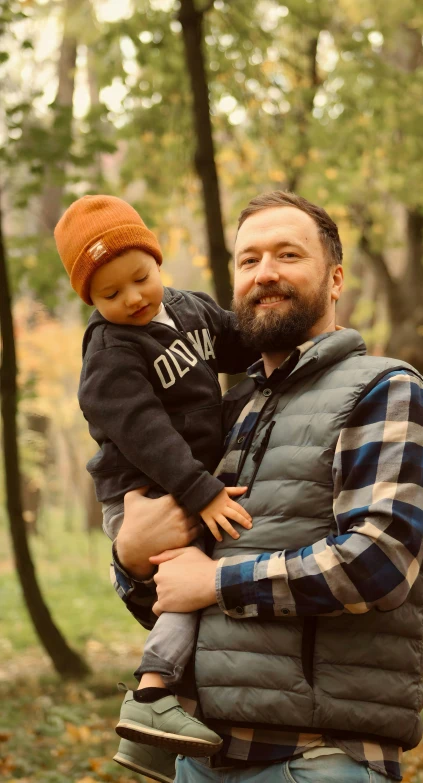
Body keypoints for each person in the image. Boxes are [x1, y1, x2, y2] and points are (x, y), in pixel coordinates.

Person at [107, 191, 423, 783]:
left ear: (335, 279)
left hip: (318, 758)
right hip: (203, 756)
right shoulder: (226, 409)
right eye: (248, 260)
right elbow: (179, 600)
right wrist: (135, 564)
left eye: (288, 254)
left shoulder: (386, 390)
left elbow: (381, 562)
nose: (265, 272)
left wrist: (215, 581)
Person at [54, 195, 259, 774]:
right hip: (145, 495)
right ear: (90, 301)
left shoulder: (190, 309)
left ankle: (153, 724)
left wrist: (295, 337)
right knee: (185, 591)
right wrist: (201, 491)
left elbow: (240, 342)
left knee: (198, 593)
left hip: (190, 485)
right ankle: (150, 695)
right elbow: (146, 435)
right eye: (110, 295)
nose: (133, 298)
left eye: (141, 278)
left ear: (156, 261)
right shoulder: (111, 351)